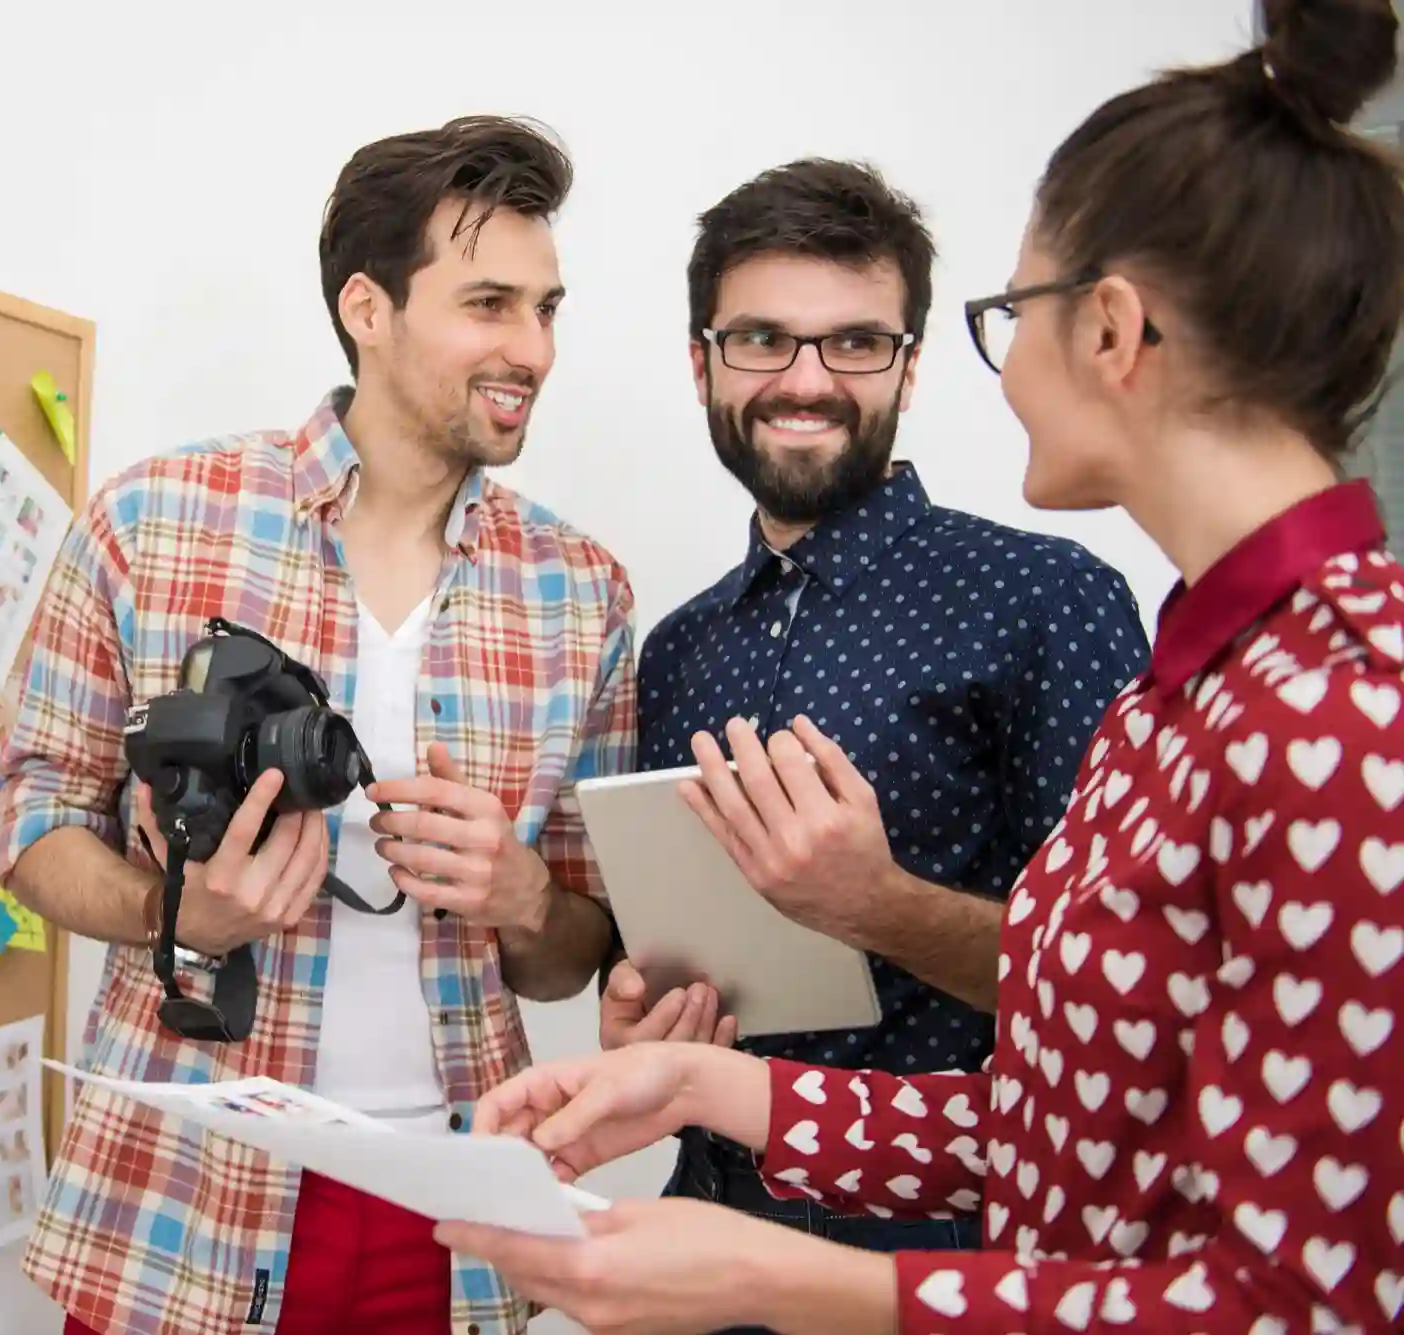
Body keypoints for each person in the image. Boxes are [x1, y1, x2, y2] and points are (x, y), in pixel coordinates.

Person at [437, 2, 1404, 1331]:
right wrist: (710, 1088)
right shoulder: (1192, 692)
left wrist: (803, 1278)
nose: (1002, 371)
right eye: (764, 338)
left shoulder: (1343, 709)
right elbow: (1076, 1118)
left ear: (1110, 330)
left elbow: (1306, 1305)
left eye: (1014, 313)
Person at [0, 114, 634, 1335]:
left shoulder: (582, 592)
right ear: (367, 307)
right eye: (489, 303)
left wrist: (522, 899)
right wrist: (169, 911)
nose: (532, 348)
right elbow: (31, 823)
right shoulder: (154, 521)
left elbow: (572, 950)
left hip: (452, 1215)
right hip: (181, 1194)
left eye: (547, 309)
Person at [602, 158, 1149, 1299]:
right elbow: (690, 971)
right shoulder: (678, 647)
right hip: (702, 1217)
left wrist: (876, 905)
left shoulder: (1046, 598)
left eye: (852, 342)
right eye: (760, 339)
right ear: (701, 362)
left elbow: (1128, 1009)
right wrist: (645, 1011)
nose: (805, 381)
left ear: (909, 366)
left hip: (947, 1242)